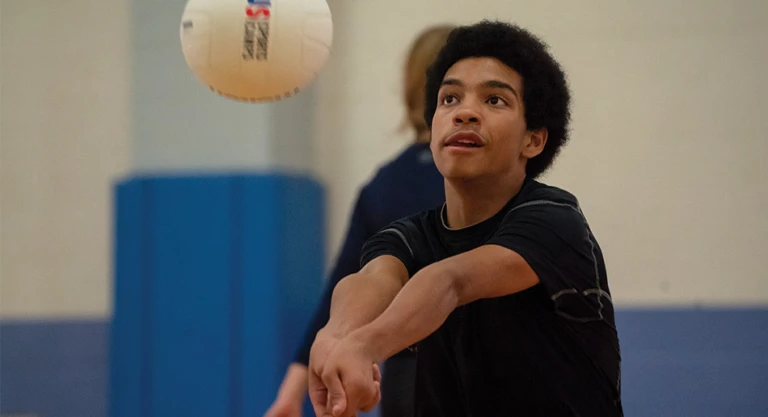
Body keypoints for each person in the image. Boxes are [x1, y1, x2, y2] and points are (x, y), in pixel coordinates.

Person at [307, 20, 623, 417]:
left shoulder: (555, 221)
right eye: (450, 99)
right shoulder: (410, 235)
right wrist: (336, 335)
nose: (466, 112)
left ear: (534, 139)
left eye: (494, 101)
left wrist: (364, 345)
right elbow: (371, 279)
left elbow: (450, 280)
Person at [264, 24, 455, 417]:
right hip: (472, 376)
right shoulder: (479, 180)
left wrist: (291, 389)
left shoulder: (383, 184)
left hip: (407, 381)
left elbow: (339, 287)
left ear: (409, 89)